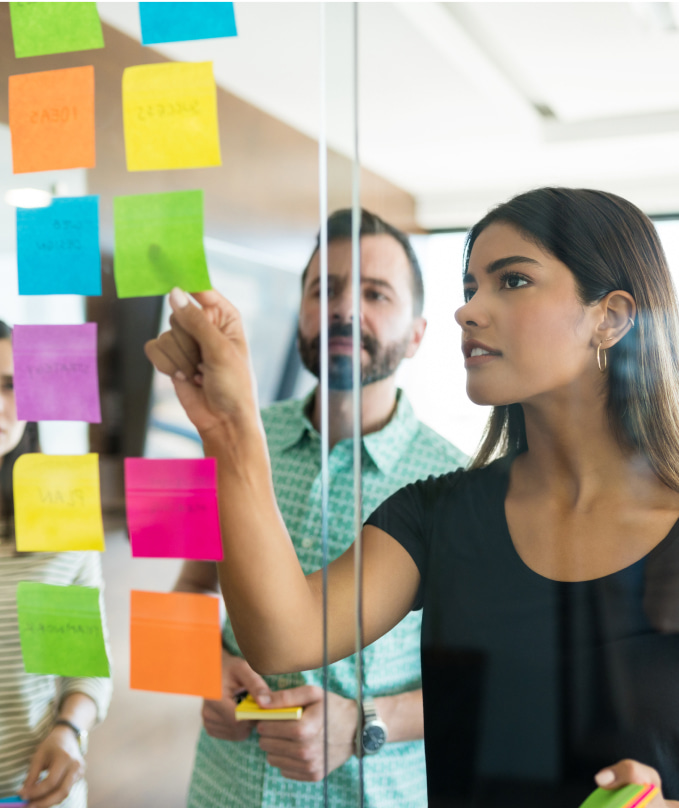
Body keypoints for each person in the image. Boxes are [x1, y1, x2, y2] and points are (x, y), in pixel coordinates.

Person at [145, 188, 679, 807]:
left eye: (512, 281)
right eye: (472, 287)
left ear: (609, 317)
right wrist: (230, 433)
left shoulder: (437, 467)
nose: (470, 311)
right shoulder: (436, 511)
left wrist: (365, 723)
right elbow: (273, 632)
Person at [172, 209, 467, 807]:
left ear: (416, 334)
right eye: (323, 289)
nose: (343, 309)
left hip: (373, 791)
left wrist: (365, 723)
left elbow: (487, 682)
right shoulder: (227, 437)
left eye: (375, 293)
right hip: (227, 785)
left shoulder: (461, 483)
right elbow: (186, 591)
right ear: (302, 312)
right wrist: (202, 667)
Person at [0, 321, 112, 808]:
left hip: (33, 790)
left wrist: (70, 730)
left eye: (9, 386)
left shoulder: (62, 508)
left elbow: (84, 667)